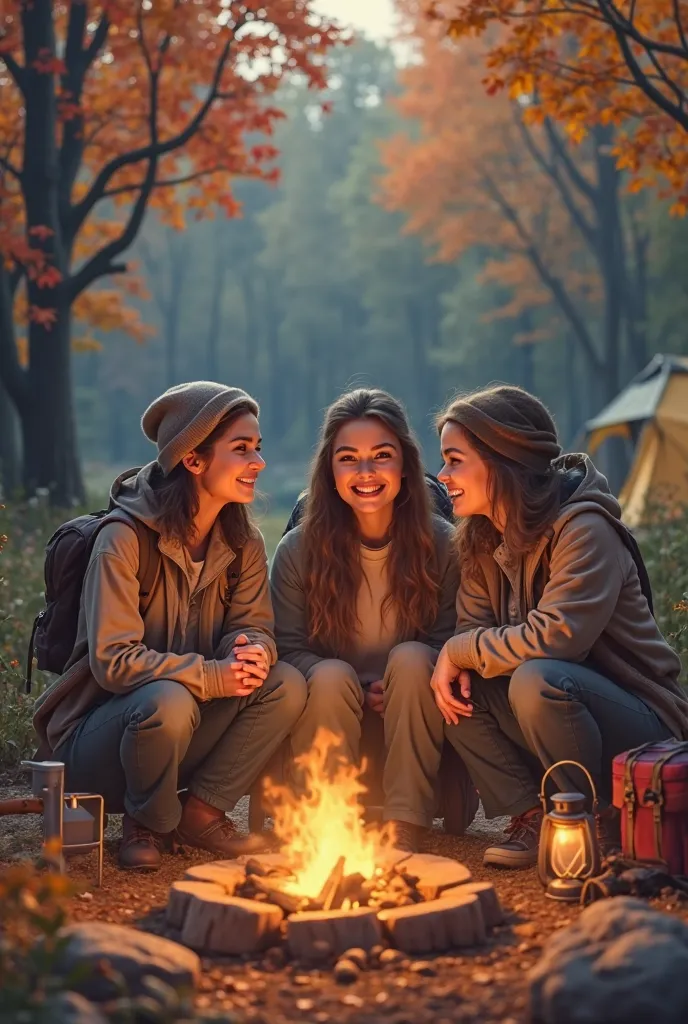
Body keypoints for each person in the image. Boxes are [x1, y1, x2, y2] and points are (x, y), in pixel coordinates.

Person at [392, 384, 688, 868]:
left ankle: (588, 821)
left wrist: (462, 650)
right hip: (552, 714)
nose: (442, 476)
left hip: (640, 723)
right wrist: (456, 655)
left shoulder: (584, 530)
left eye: (455, 460)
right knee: (437, 676)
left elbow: (559, 638)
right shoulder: (483, 537)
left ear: (503, 459)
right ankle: (531, 814)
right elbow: (472, 632)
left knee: (535, 677)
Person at [33, 382, 307, 871]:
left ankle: (200, 813)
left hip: (182, 726)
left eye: (257, 448)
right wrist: (214, 676)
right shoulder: (123, 538)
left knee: (283, 683)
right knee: (168, 699)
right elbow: (114, 662)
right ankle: (146, 824)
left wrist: (253, 650)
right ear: (193, 460)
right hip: (97, 744)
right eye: (241, 449)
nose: (258, 463)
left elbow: (254, 625)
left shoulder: (242, 539)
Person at [271, 388, 475, 852]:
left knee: (411, 659)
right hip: (329, 714)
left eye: (381, 456)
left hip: (412, 716)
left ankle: (406, 823)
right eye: (349, 459)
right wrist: (353, 686)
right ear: (330, 470)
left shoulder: (444, 545)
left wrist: (405, 678)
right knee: (327, 674)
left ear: (405, 464)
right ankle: (327, 821)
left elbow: (451, 639)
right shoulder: (297, 551)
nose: (365, 473)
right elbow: (284, 648)